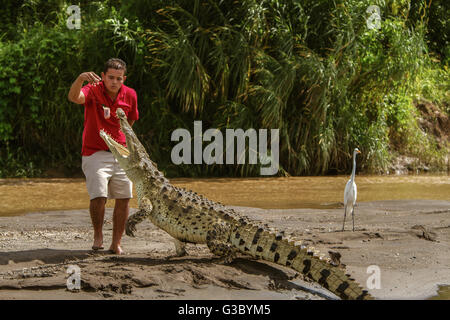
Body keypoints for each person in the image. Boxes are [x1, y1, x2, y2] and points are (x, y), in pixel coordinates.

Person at [67, 58, 139, 255]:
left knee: (124, 197)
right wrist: (81, 78)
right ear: (103, 76)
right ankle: (98, 235)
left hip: (122, 152)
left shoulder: (130, 94)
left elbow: (132, 118)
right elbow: (74, 97)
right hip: (95, 151)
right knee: (99, 195)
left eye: (118, 78)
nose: (114, 82)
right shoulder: (93, 89)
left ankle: (116, 243)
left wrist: (121, 138)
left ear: (123, 78)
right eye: (110, 78)